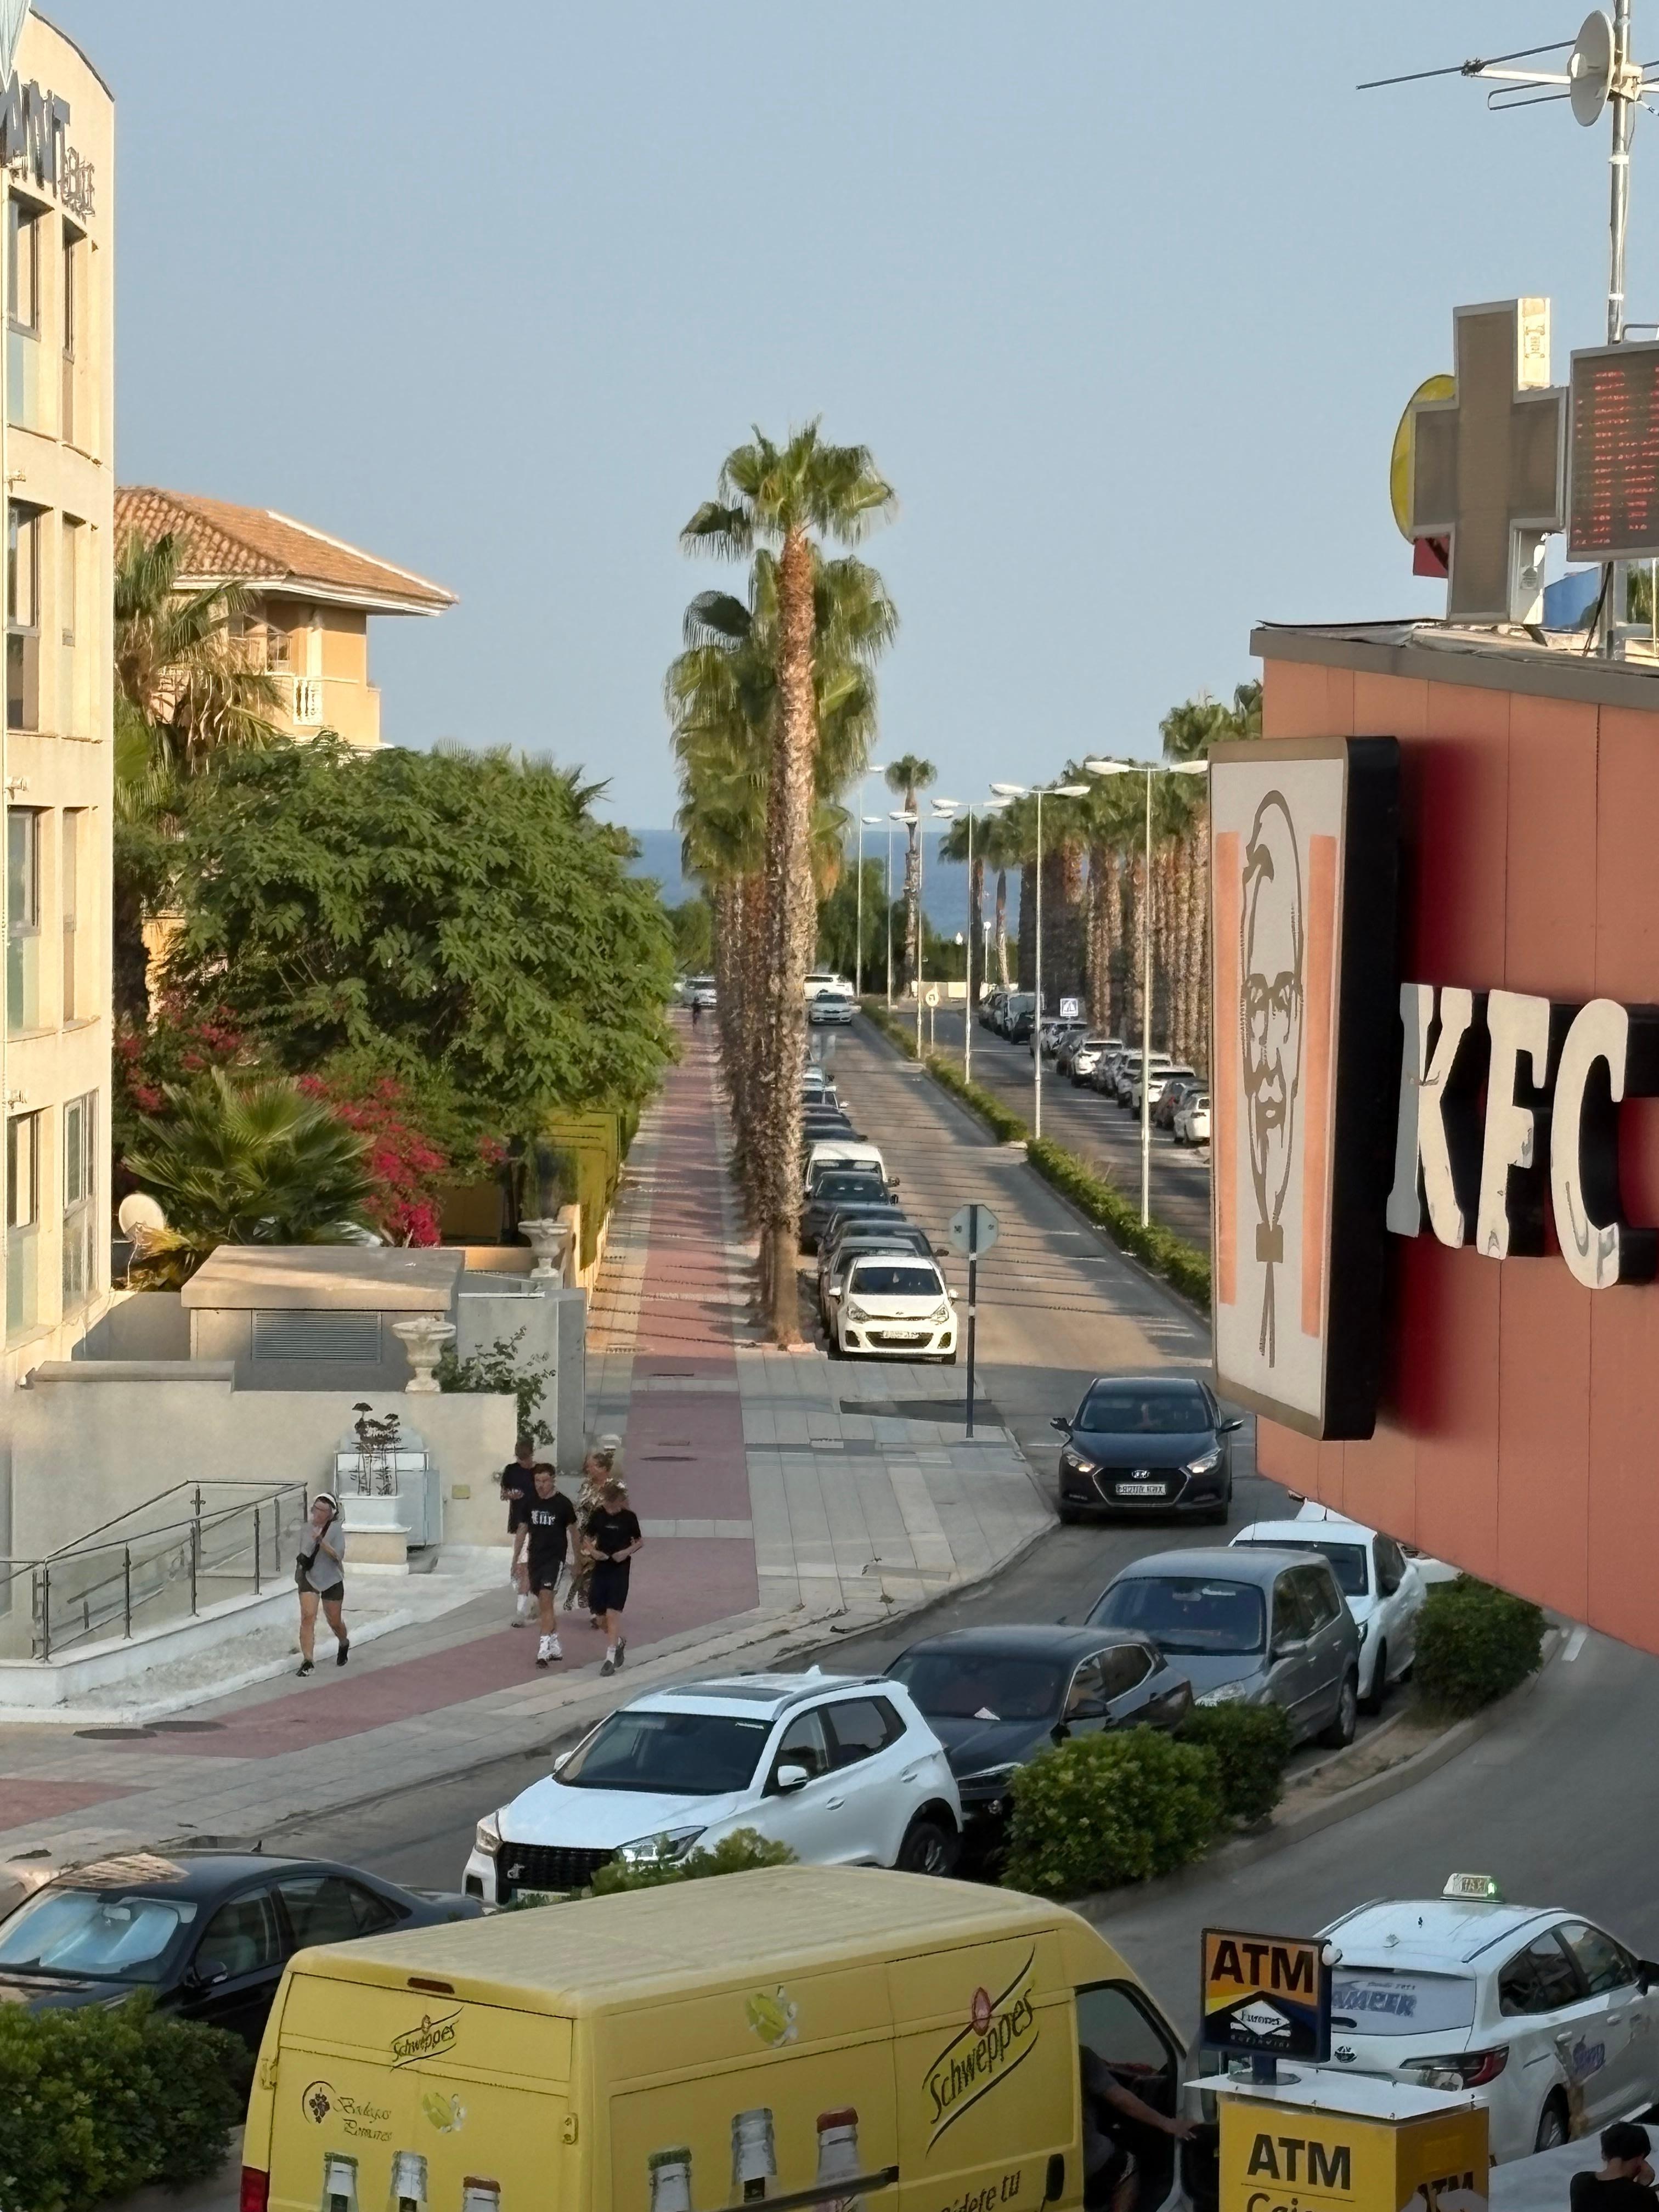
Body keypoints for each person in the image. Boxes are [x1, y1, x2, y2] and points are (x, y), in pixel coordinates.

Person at [1080, 2045, 1193, 2212]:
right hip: (1087, 2157)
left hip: (1055, 2159)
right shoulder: (1079, 2055)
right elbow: (1120, 2099)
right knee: (1127, 2168)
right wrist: (1166, 2123)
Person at [584, 1477, 642, 1677]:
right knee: (600, 1618)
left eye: (613, 1503)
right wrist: (593, 1552)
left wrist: (626, 1552)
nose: (609, 1507)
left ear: (620, 1501)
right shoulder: (598, 1515)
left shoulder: (629, 1518)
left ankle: (609, 1659)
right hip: (601, 1566)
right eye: (606, 1503)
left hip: (620, 1568)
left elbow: (640, 1542)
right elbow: (587, 1538)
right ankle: (618, 1642)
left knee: (612, 1613)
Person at [523, 1464, 577, 1668]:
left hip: (555, 1559)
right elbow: (523, 1530)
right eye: (537, 1481)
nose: (541, 1485)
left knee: (546, 1599)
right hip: (535, 1558)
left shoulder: (563, 1504)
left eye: (545, 1481)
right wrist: (517, 1559)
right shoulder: (530, 1502)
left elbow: (574, 1532)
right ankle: (555, 1645)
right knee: (545, 1604)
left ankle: (543, 1650)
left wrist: (576, 1560)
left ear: (553, 1480)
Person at [295, 1493, 348, 1677]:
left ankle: (343, 1642)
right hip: (309, 1578)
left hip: (331, 1580)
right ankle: (308, 1661)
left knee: (334, 1621)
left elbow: (338, 1556)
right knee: (307, 1617)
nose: (317, 1513)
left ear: (330, 1513)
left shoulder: (335, 1530)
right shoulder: (305, 1528)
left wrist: (321, 1542)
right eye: (316, 1508)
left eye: (322, 1510)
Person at [499, 1437, 540, 1626]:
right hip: (519, 1522)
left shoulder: (539, 1472)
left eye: (526, 1458)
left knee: (531, 1565)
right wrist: (511, 1494)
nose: (523, 1462)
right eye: (520, 1458)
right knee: (525, 1565)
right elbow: (503, 1494)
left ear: (532, 1454)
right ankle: (524, 1607)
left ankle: (529, 1606)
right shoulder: (511, 1471)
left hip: (539, 1523)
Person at [1572, 2124, 1658, 2212]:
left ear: (1603, 2154)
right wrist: (1642, 2186)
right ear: (1641, 2157)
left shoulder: (1579, 2182)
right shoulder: (1644, 2197)